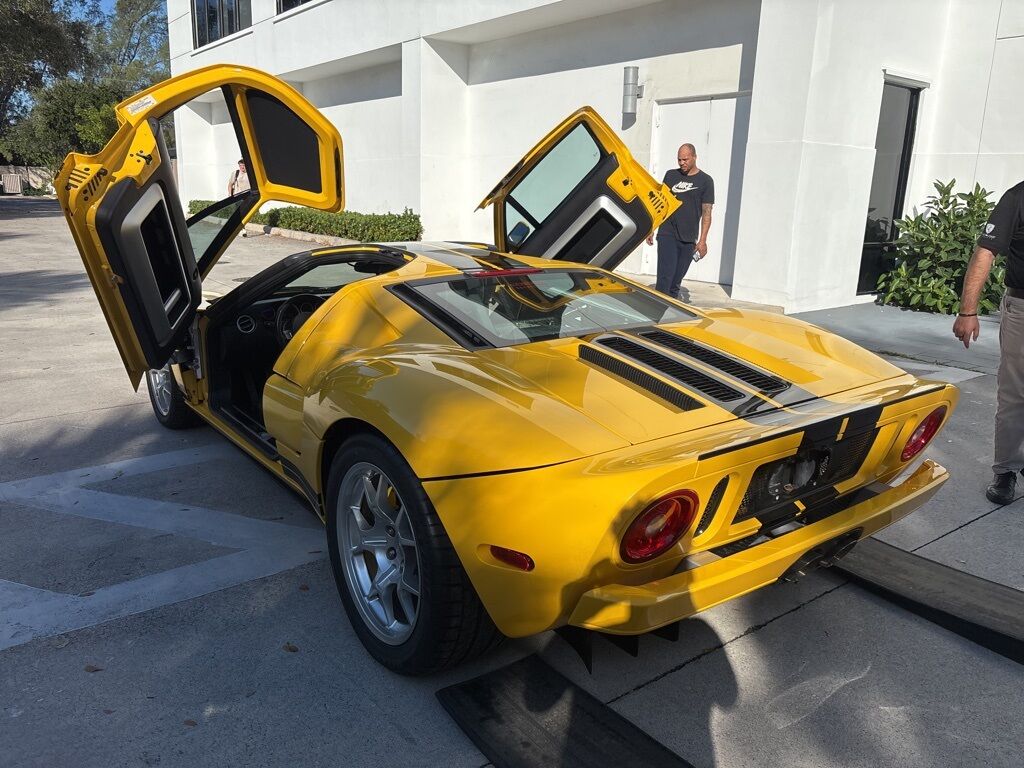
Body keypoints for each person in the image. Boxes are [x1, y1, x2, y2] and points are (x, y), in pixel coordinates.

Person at [952, 180, 1024, 505]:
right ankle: (1006, 470)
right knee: (1015, 394)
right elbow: (985, 251)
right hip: (1023, 308)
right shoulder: (1018, 197)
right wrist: (968, 311)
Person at [646, 143, 714, 299]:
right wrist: (651, 228)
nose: (682, 163)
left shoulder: (706, 181)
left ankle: (669, 309)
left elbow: (707, 212)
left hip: (689, 237)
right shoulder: (671, 176)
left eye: (685, 159)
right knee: (665, 279)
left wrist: (702, 240)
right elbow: (660, 204)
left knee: (676, 281)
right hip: (667, 233)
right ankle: (658, 310)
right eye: (679, 160)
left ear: (694, 157)